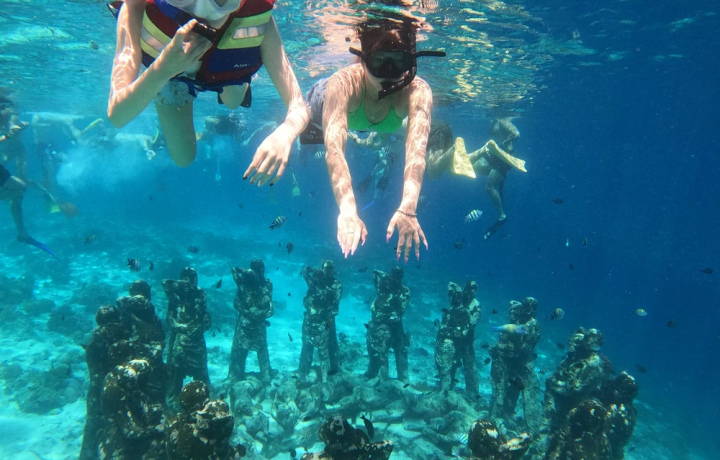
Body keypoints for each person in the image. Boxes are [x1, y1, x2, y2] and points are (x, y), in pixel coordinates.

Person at [108, 0, 309, 186]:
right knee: (183, 157)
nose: (204, 9)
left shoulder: (259, 15)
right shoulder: (135, 6)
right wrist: (162, 70)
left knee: (232, 102)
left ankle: (240, 83)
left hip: (228, 73)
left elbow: (299, 106)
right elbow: (117, 115)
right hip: (170, 75)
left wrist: (284, 135)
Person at [303, 15, 444, 261]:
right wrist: (347, 210)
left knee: (419, 131)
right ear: (364, 59)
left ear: (411, 63)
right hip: (322, 107)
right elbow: (334, 150)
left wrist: (408, 207)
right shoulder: (342, 85)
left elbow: (417, 151)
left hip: (375, 122)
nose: (389, 73)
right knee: (306, 117)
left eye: (399, 62)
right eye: (380, 60)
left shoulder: (418, 90)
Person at [426, 118, 527, 240]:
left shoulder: (503, 121)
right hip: (496, 157)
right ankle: (482, 150)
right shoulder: (498, 121)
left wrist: (506, 141)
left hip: (502, 159)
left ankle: (502, 215)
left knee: (489, 186)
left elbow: (516, 133)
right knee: (464, 168)